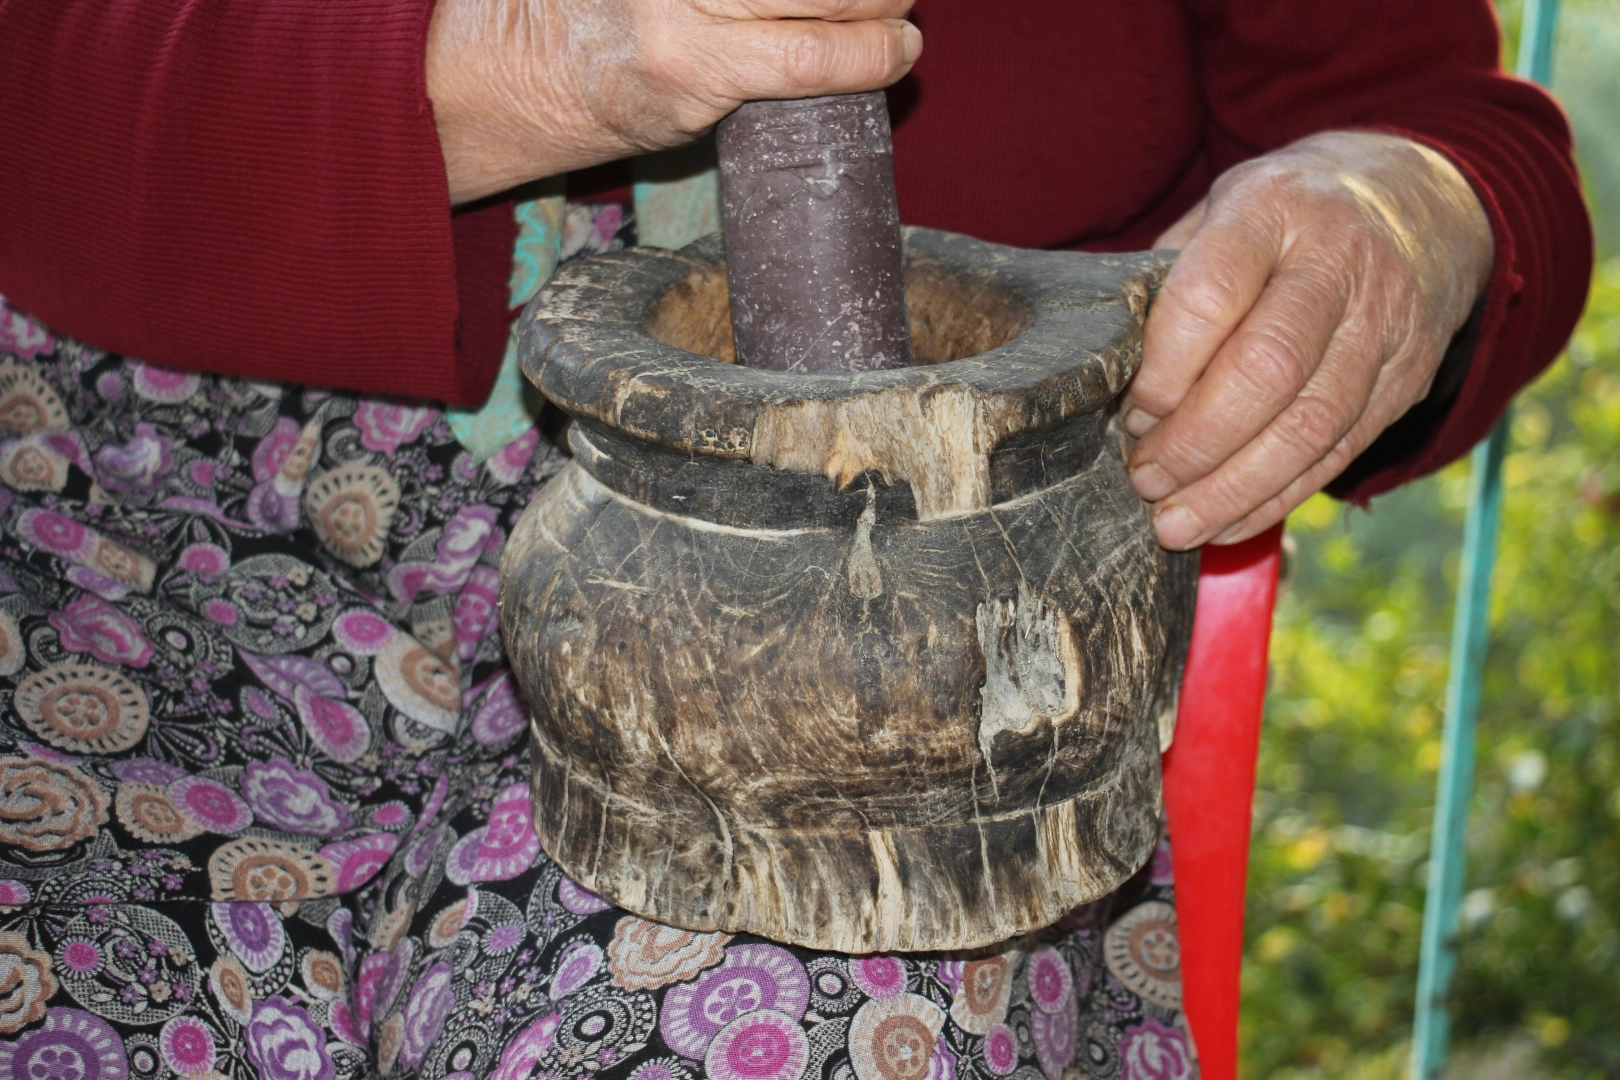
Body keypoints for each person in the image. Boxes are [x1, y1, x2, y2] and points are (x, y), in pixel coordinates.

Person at [0, 3, 1591, 1079]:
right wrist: (526, 59)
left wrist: (1409, 211)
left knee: (817, 1021)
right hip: (126, 547)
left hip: (893, 615)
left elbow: (1439, 123)